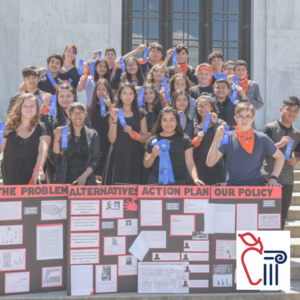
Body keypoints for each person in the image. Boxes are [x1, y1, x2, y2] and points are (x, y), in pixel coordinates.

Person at [206, 102, 285, 187]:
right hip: (232, 188)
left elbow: (280, 157)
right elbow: (210, 163)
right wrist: (216, 138)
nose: (244, 120)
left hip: (255, 188)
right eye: (240, 116)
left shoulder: (262, 138)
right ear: (235, 118)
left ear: (253, 118)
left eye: (248, 116)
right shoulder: (227, 137)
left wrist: (273, 178)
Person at [261, 96, 300, 229]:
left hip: (287, 180)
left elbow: (298, 154)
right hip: (267, 178)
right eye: (288, 109)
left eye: (295, 110)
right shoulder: (269, 128)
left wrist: (297, 159)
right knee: (265, 215)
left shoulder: (297, 134)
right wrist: (278, 144)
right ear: (280, 109)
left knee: (282, 216)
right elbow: (257, 151)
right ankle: (260, 246)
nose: (292, 113)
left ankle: (276, 247)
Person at [42, 84, 91, 183]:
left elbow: (89, 133)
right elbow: (44, 130)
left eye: (68, 96)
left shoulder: (82, 113)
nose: (65, 99)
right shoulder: (51, 113)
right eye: (61, 96)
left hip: (78, 159)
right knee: (57, 192)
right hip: (56, 158)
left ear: (74, 97)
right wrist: (44, 110)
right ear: (57, 97)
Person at [144, 107, 204, 186]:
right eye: (165, 120)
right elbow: (146, 165)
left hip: (178, 182)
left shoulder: (185, 139)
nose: (168, 123)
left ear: (177, 122)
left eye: (172, 120)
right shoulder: (153, 140)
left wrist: (195, 178)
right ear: (160, 122)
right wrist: (153, 155)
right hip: (155, 182)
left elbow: (190, 162)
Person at [102, 82, 148, 185]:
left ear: (135, 96)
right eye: (124, 93)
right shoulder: (114, 112)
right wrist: (114, 121)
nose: (128, 96)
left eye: (131, 93)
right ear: (120, 95)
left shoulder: (141, 113)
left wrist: (134, 134)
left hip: (135, 154)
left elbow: (145, 138)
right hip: (117, 154)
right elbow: (112, 140)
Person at [1, 93, 51, 185]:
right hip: (11, 177)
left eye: (32, 105)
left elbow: (43, 149)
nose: (29, 108)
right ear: (19, 108)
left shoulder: (42, 127)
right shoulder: (5, 127)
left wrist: (39, 168)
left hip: (35, 177)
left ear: (37, 108)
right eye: (25, 106)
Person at [52, 102, 100, 185]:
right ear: (69, 115)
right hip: (64, 180)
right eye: (74, 113)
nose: (78, 116)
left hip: (86, 180)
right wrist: (56, 140)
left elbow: (96, 159)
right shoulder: (63, 133)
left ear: (85, 114)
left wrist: (84, 176)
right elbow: (56, 160)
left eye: (80, 113)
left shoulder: (92, 134)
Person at [192, 93, 226, 185]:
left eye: (206, 106)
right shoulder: (192, 124)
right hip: (197, 162)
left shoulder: (221, 123)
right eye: (199, 106)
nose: (202, 108)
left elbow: (225, 141)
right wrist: (196, 141)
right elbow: (187, 145)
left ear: (212, 107)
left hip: (215, 162)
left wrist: (215, 124)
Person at [87, 78, 114, 177]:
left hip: (109, 140)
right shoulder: (91, 107)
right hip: (96, 141)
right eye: (98, 89)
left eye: (104, 89)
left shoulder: (114, 105)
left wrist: (110, 106)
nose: (101, 92)